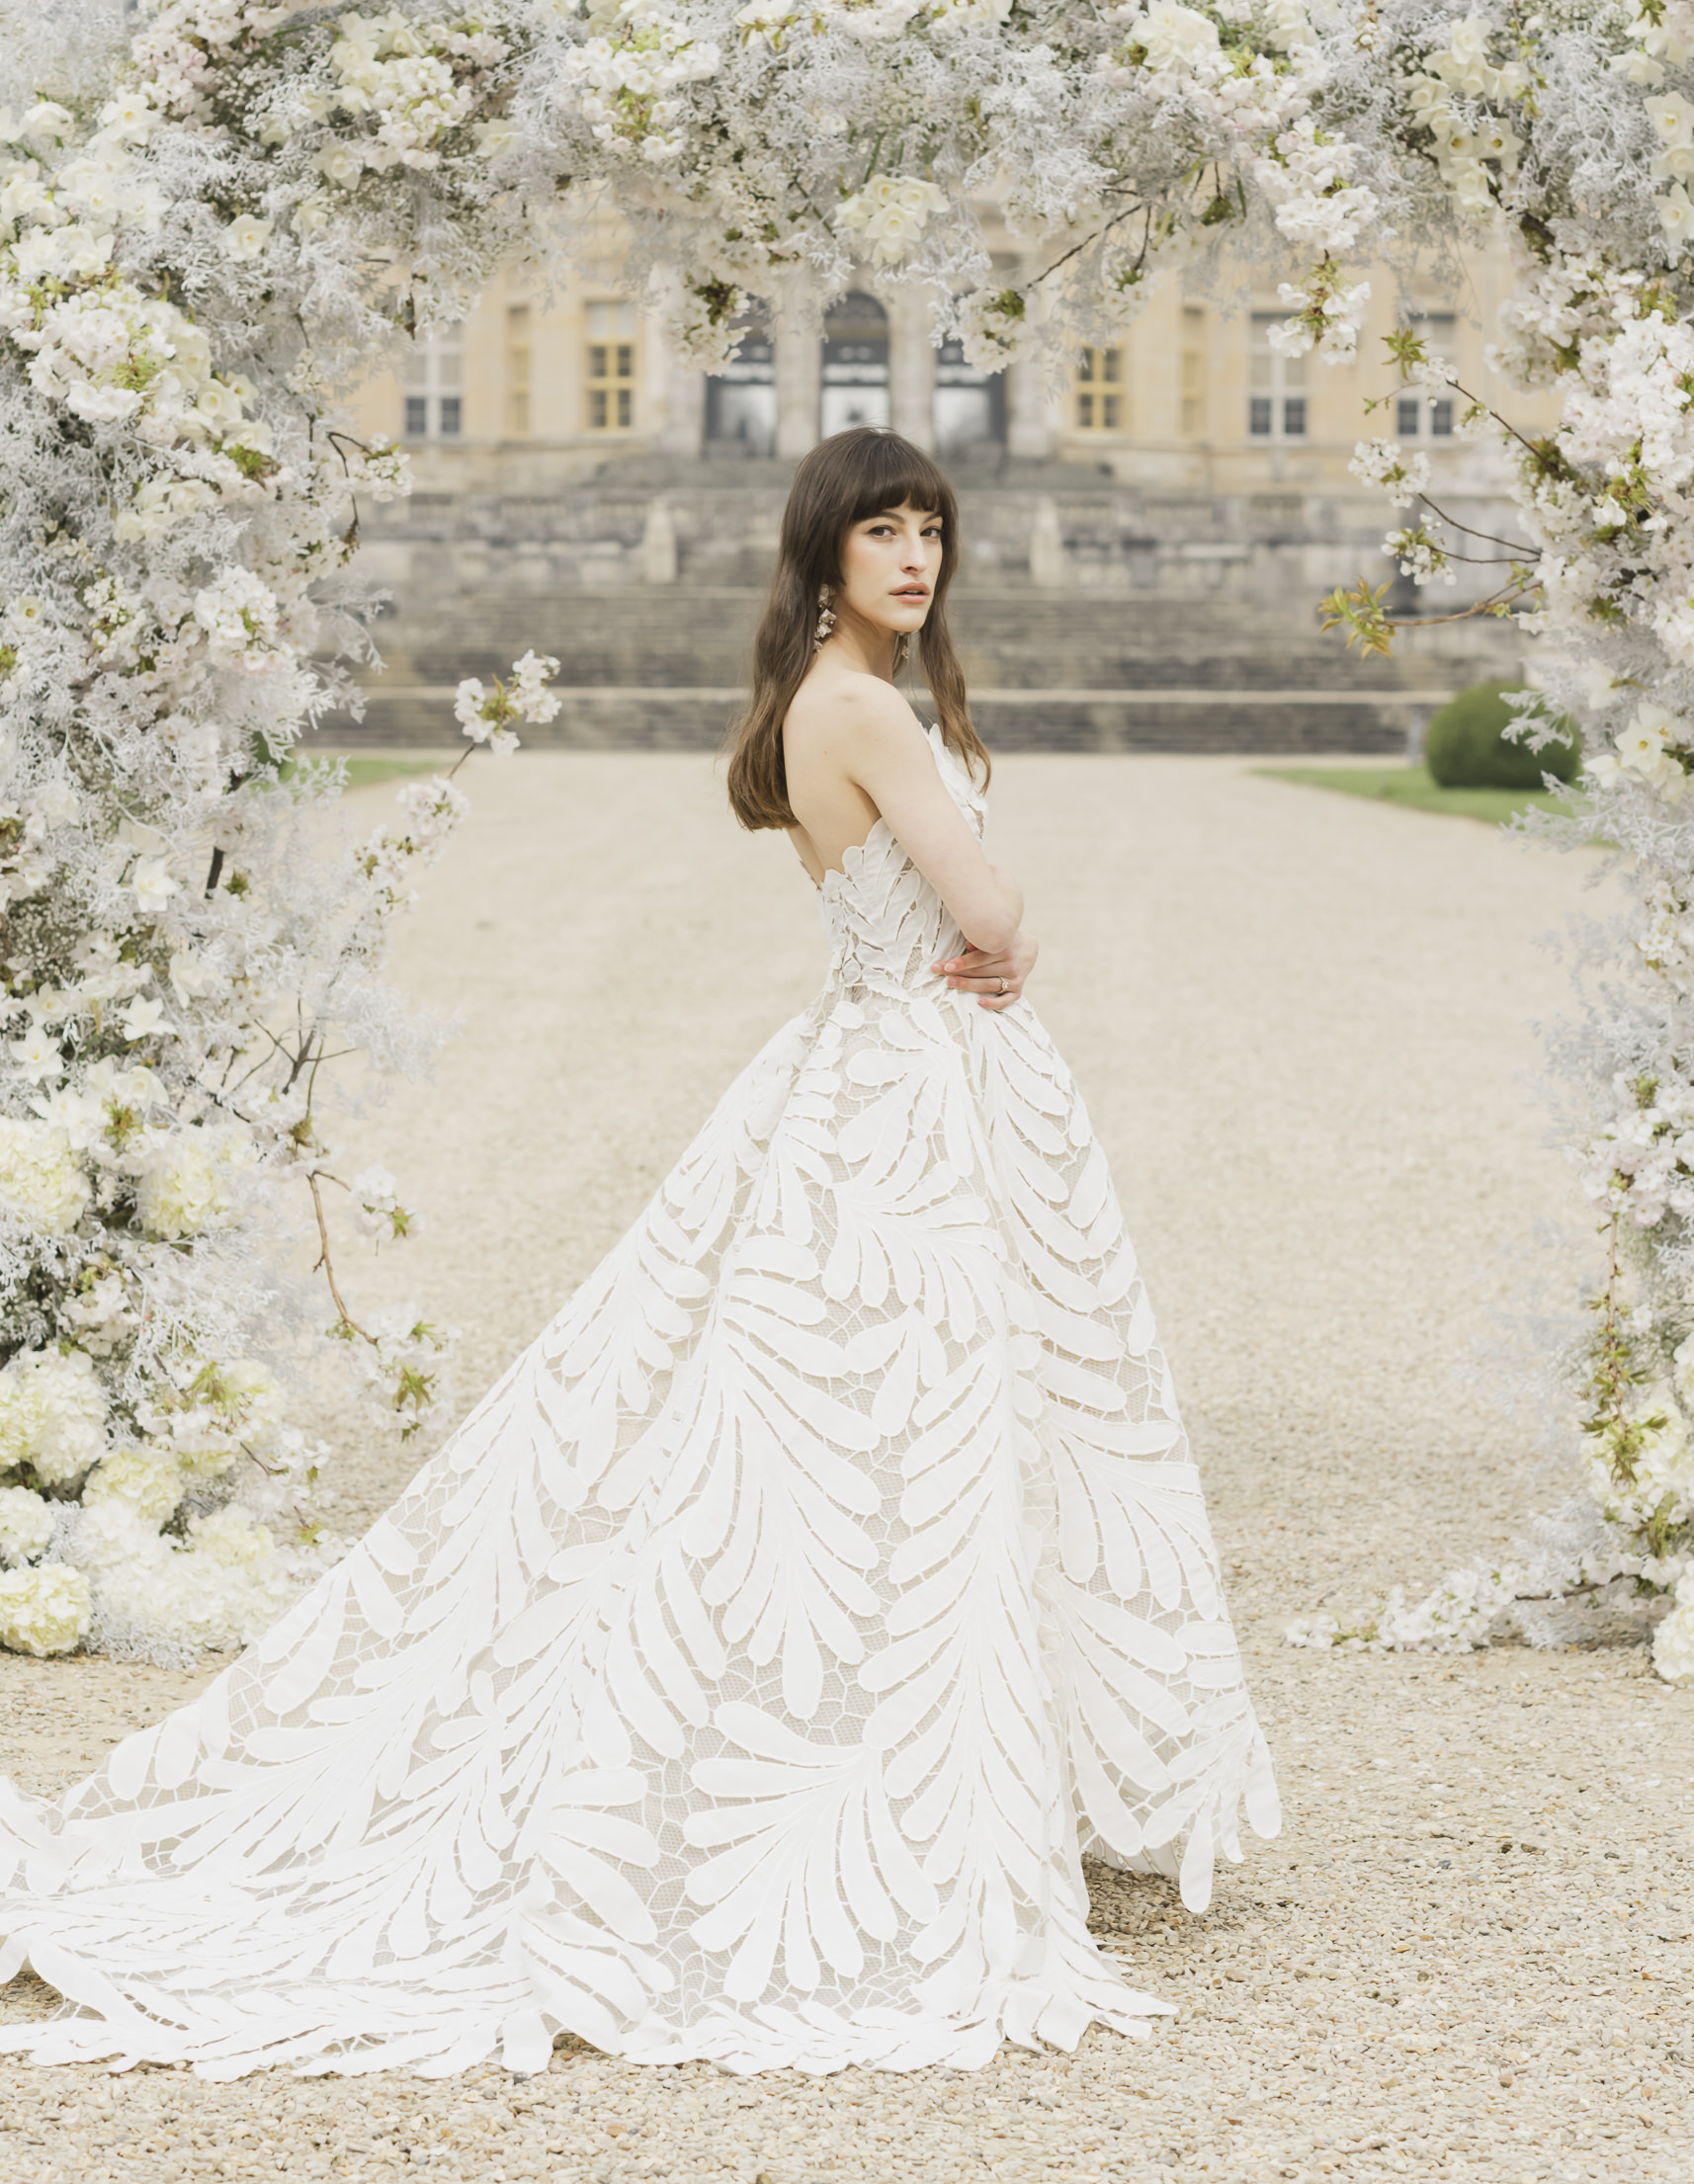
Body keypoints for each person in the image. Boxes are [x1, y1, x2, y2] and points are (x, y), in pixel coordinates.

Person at [0, 427, 1278, 2079]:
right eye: (880, 531)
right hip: (905, 1089)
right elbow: (991, 918)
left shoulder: (828, 701)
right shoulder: (868, 706)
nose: (913, 555)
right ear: (824, 556)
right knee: (894, 1437)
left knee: (859, 1439)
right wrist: (1009, 924)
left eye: (929, 529)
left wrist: (988, 928)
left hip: (881, 1068)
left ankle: (908, 1762)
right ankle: (860, 1792)